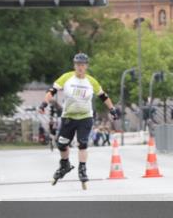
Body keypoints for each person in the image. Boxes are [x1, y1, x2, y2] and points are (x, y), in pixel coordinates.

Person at [40, 53, 119, 188]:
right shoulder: (67, 77)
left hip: (85, 117)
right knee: (61, 144)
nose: (80, 67)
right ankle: (65, 165)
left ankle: (82, 169)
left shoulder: (91, 81)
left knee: (82, 144)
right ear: (74, 66)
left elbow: (103, 96)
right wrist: (44, 104)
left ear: (86, 66)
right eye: (77, 65)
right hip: (68, 117)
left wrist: (112, 109)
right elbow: (52, 91)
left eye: (82, 65)